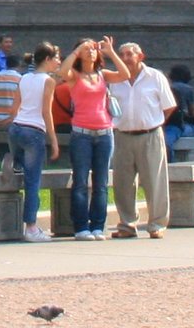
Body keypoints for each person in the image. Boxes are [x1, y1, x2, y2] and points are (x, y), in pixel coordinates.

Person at [101, 40, 174, 239]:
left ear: (140, 56)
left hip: (150, 135)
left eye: (129, 55)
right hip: (123, 135)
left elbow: (169, 106)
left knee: (154, 181)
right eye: (122, 54)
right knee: (123, 183)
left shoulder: (155, 77)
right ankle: (127, 224)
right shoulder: (116, 78)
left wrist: (152, 123)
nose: (125, 59)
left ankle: (157, 223)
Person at [54, 39, 115, 240]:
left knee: (101, 182)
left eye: (93, 50)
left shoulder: (102, 75)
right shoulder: (74, 76)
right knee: (80, 181)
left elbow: (125, 75)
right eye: (86, 50)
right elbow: (62, 72)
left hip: (105, 132)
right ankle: (81, 227)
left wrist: (111, 52)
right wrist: (77, 50)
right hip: (81, 133)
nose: (90, 52)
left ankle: (98, 225)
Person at [6, 41, 61, 241]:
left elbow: (14, 108)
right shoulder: (48, 81)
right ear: (47, 59)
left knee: (23, 168)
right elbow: (47, 112)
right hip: (34, 131)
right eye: (56, 58)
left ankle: (14, 162)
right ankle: (31, 227)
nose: (58, 62)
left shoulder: (24, 77)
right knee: (33, 181)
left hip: (16, 128)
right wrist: (53, 141)